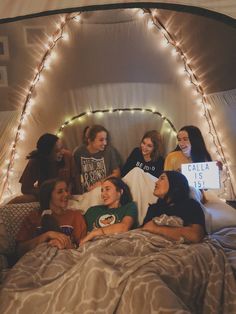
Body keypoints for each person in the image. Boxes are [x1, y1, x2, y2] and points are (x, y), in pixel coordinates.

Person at [16, 178, 87, 257]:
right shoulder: (34, 217)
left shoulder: (75, 216)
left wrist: (68, 246)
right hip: (36, 261)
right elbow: (19, 250)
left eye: (66, 190)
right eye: (60, 192)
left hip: (65, 260)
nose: (66, 194)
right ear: (48, 195)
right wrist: (47, 235)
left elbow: (83, 250)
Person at [142, 171, 206, 243]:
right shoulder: (154, 208)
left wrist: (157, 229)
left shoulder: (191, 205)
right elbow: (144, 230)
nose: (156, 182)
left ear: (175, 183)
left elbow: (196, 235)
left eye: (162, 179)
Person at [10, 133, 75, 204]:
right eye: (57, 151)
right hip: (45, 195)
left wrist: (67, 192)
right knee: (18, 200)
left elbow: (74, 179)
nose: (62, 152)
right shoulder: (35, 162)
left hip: (66, 195)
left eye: (62, 148)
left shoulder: (67, 156)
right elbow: (25, 189)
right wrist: (47, 192)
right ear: (46, 154)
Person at [81, 177, 138, 244]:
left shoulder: (129, 207)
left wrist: (95, 233)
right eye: (102, 190)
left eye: (107, 189)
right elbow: (80, 232)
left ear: (120, 192)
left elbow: (124, 227)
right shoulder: (93, 210)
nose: (103, 194)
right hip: (92, 246)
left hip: (117, 244)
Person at [73, 125, 121, 194]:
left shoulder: (109, 150)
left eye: (106, 139)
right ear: (90, 141)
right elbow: (76, 175)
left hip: (104, 188)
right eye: (101, 140)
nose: (105, 143)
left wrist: (100, 183)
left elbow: (117, 173)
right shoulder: (79, 152)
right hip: (88, 193)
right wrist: (80, 193)